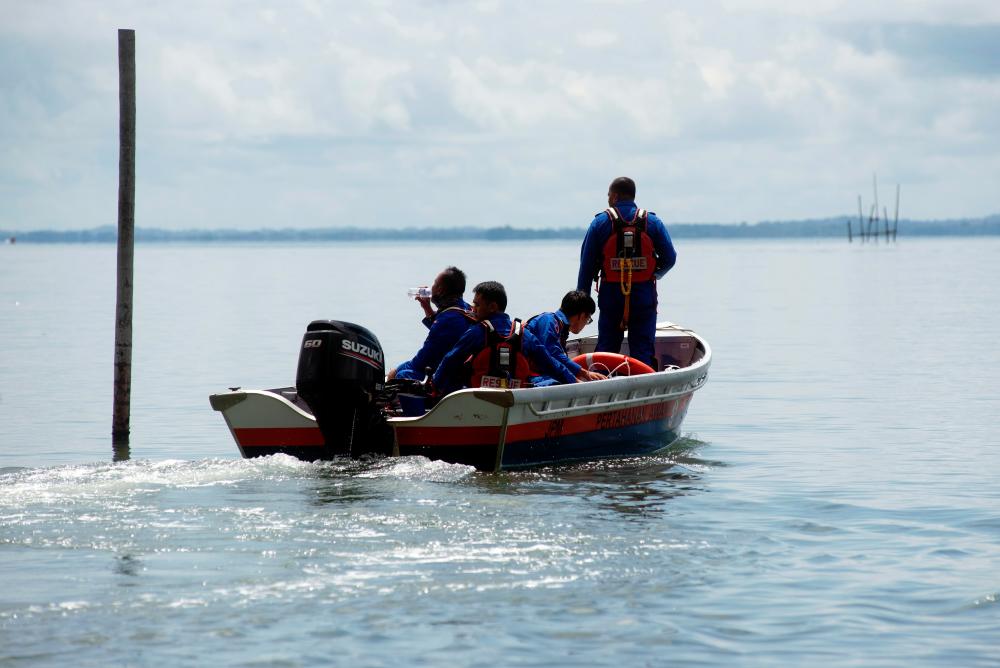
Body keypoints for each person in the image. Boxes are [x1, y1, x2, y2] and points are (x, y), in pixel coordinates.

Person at [577, 176, 677, 367]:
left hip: (611, 297)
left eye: (608, 195)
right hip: (643, 297)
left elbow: (586, 267)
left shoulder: (600, 223)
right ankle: (644, 391)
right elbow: (670, 258)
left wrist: (583, 306)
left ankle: (604, 387)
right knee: (642, 352)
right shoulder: (652, 222)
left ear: (614, 197)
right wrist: (652, 274)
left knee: (606, 350)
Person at [432, 281, 578, 396]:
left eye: (477, 304)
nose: (473, 309)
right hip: (515, 397)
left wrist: (434, 386)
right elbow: (549, 363)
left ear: (492, 307)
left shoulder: (476, 332)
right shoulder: (524, 335)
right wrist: (574, 381)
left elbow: (450, 360)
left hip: (477, 397)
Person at [388, 266, 474, 381]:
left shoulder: (447, 319)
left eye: (434, 283)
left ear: (440, 290)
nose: (431, 287)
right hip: (458, 372)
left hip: (445, 377)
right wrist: (427, 308)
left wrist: (395, 372)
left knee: (401, 375)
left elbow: (421, 361)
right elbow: (446, 335)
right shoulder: (466, 309)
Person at [525, 290, 605, 385]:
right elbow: (553, 355)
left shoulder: (559, 328)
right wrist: (582, 373)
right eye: (588, 319)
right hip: (529, 377)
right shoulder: (549, 321)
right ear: (582, 315)